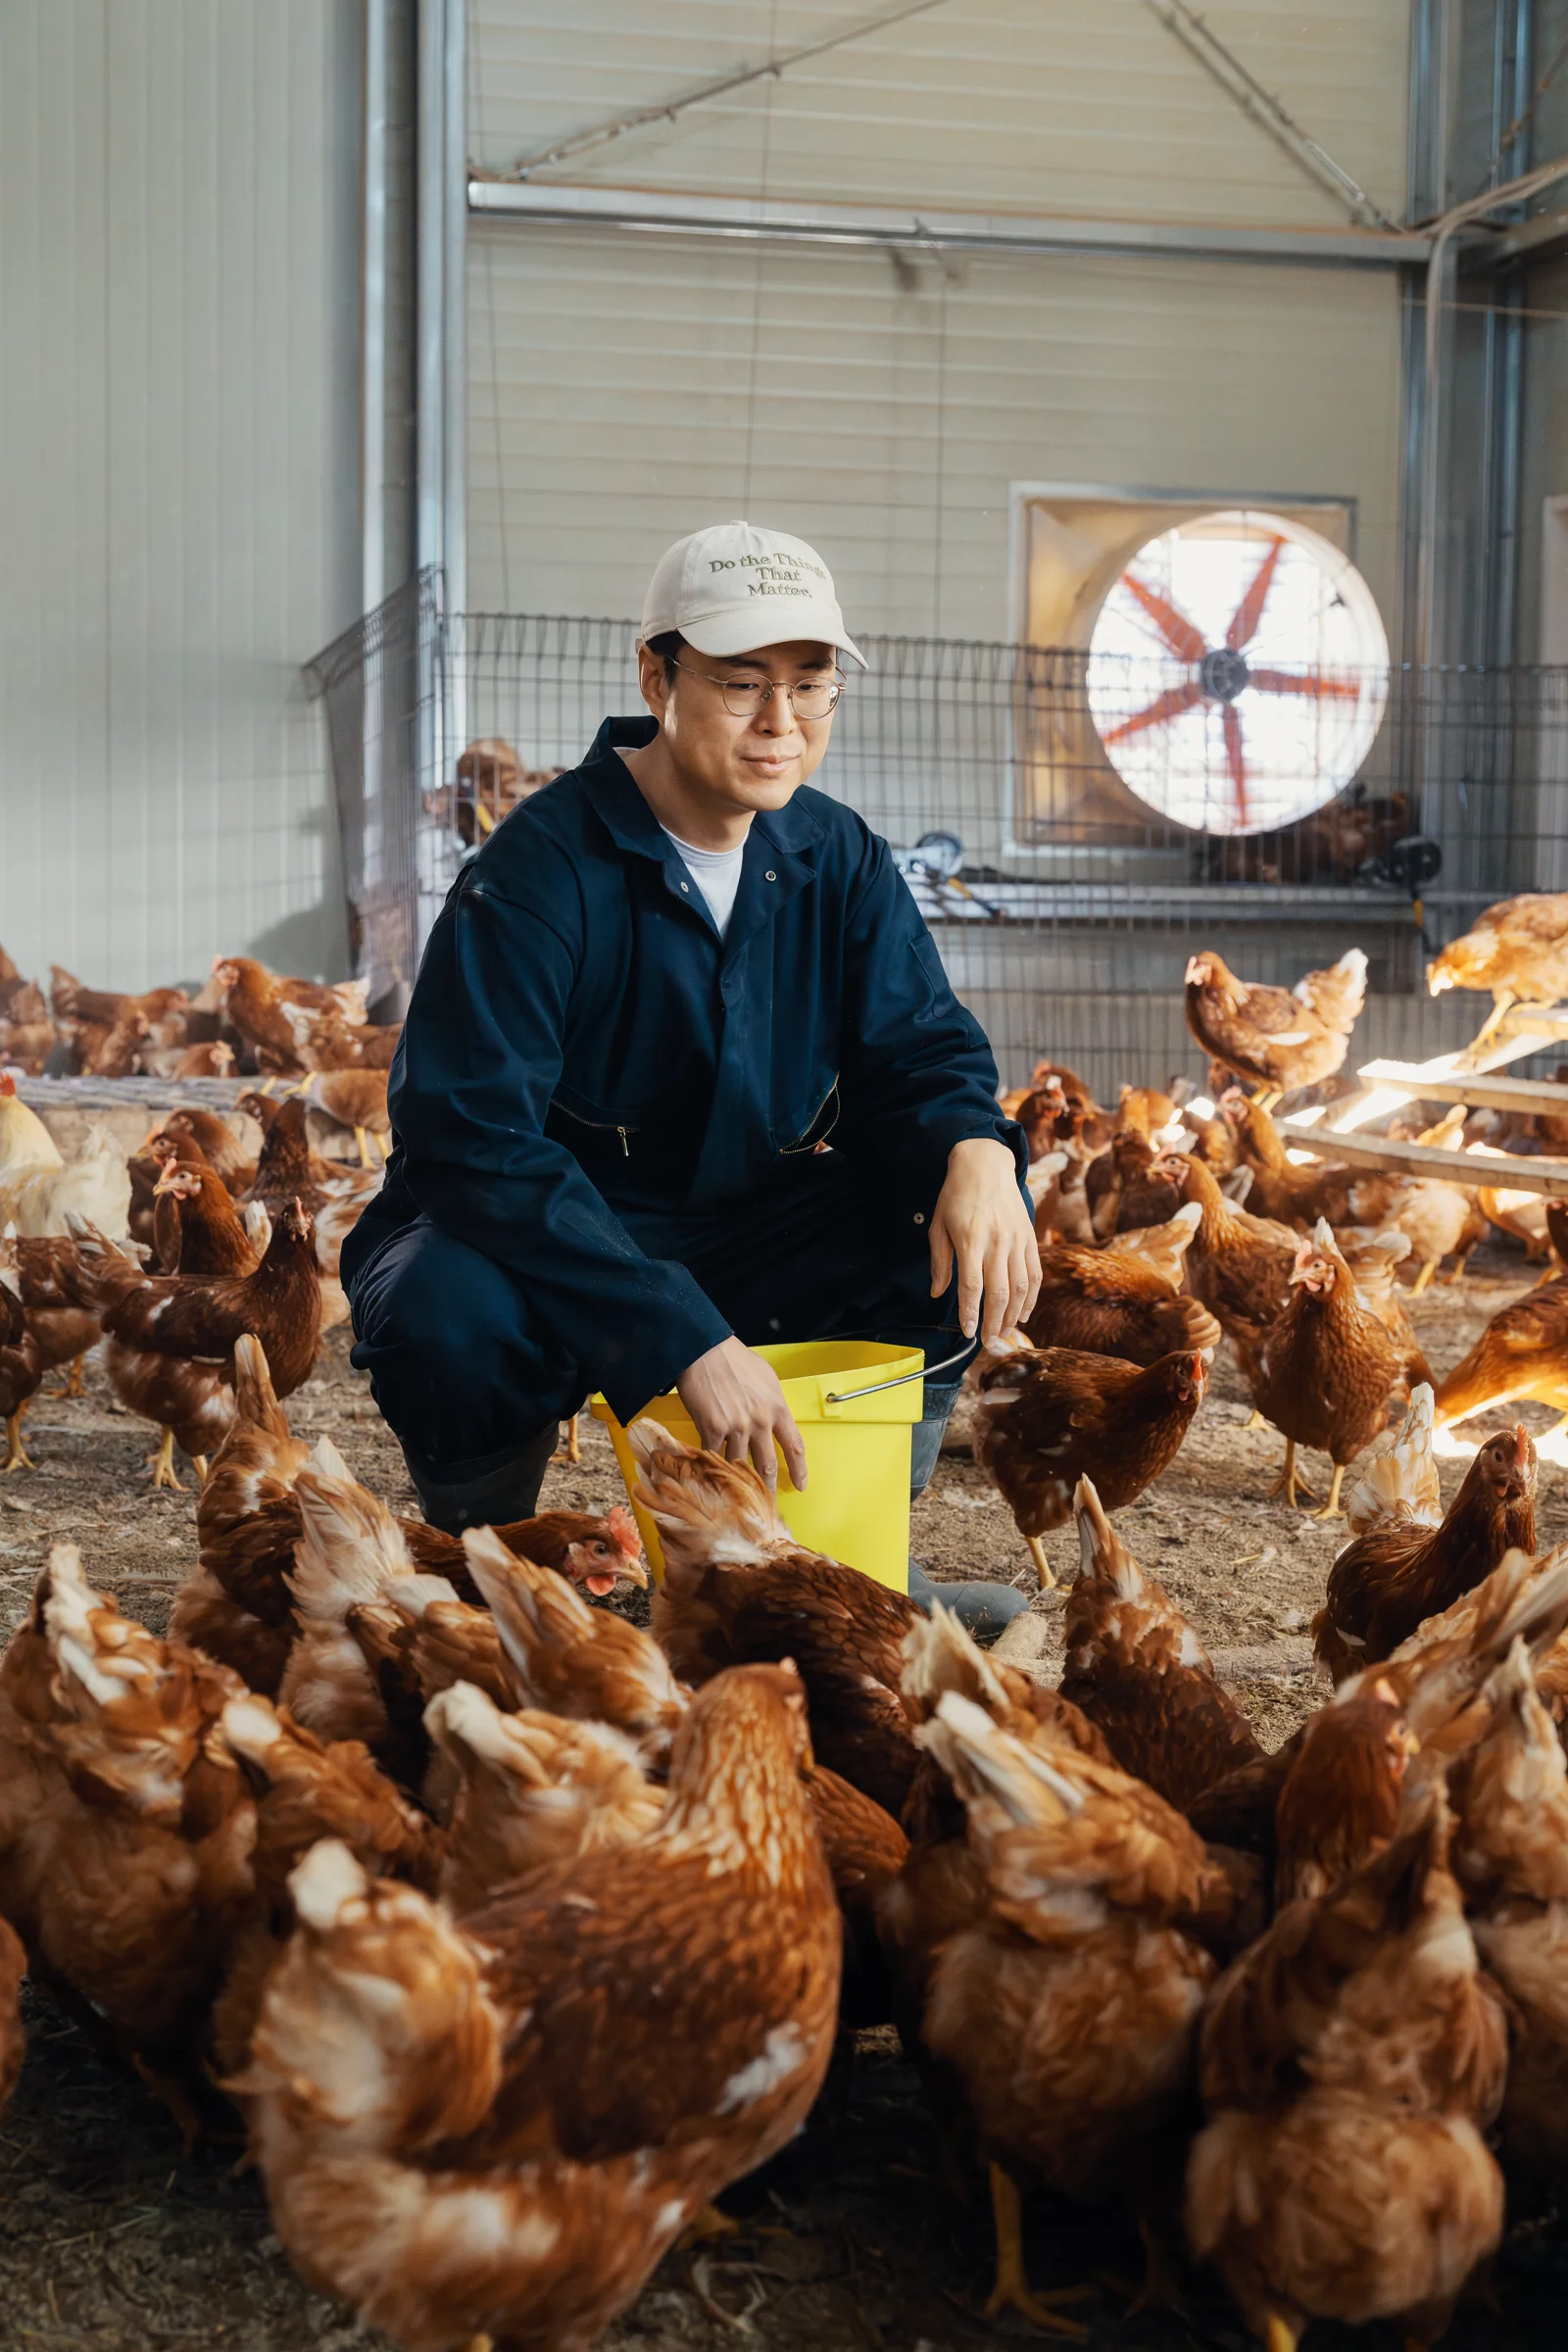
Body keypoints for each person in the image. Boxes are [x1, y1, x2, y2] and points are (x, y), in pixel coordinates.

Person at [343, 521, 1041, 1625]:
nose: (781, 724)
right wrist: (682, 1335)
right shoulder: (537, 871)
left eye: (811, 689)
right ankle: (503, 1579)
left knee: (960, 1204)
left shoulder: (835, 855)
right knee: (442, 1306)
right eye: (740, 684)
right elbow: (470, 1137)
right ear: (654, 676)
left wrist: (974, 1147)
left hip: (739, 1221)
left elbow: (920, 1049)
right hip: (544, 1238)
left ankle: (844, 1574)